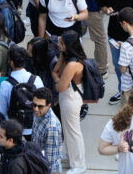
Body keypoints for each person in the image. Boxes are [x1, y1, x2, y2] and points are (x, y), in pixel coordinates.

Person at [53, 31, 88, 174]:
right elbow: (55, 71)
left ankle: (79, 165)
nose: (57, 44)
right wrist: (58, 78)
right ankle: (70, 156)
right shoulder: (67, 57)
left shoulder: (73, 64)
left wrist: (57, 79)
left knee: (73, 131)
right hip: (67, 96)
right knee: (67, 129)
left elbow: (60, 86)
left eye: (61, 43)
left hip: (70, 98)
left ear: (68, 45)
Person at [31, 87, 64, 173]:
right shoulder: (39, 113)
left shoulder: (51, 128)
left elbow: (50, 162)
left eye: (40, 106)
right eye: (34, 105)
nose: (36, 109)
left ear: (49, 105)